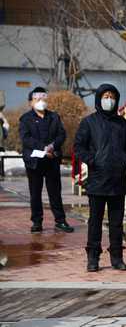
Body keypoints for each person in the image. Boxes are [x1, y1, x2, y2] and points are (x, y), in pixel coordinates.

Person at [74, 84, 126, 272]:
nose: (108, 99)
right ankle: (93, 258)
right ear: (99, 98)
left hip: (117, 181)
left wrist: (125, 159)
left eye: (112, 96)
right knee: (95, 221)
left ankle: (117, 257)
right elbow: (79, 147)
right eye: (105, 96)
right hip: (97, 180)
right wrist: (92, 161)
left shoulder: (122, 123)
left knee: (116, 223)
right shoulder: (89, 123)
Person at [19, 87, 74, 233]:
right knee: (35, 193)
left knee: (55, 193)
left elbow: (61, 135)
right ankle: (37, 222)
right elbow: (26, 139)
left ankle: (60, 221)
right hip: (34, 162)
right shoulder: (25, 119)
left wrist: (52, 146)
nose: (40, 102)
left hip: (52, 160)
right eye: (37, 99)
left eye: (43, 99)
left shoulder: (54, 117)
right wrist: (43, 148)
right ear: (31, 102)